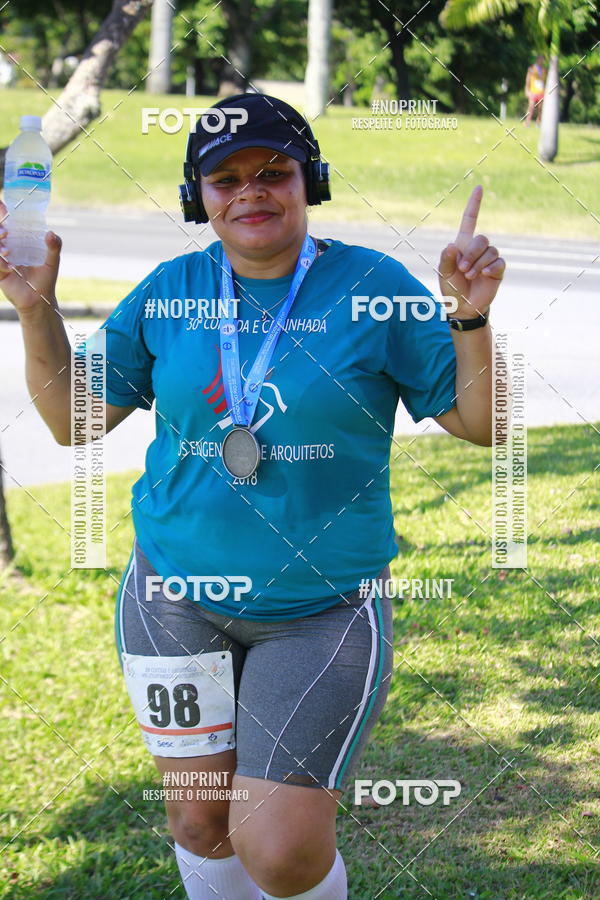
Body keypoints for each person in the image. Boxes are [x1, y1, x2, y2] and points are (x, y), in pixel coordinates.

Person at [0, 92, 505, 899]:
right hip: (173, 597)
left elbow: (483, 425)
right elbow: (73, 419)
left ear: (311, 182)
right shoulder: (171, 289)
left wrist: (469, 320)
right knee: (200, 818)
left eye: (274, 172)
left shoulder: (372, 286)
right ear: (196, 196)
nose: (251, 193)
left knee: (279, 849)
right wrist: (35, 309)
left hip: (322, 607)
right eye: (225, 179)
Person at [525, 54, 546, 126]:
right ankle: (527, 122)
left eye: (543, 59)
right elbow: (528, 80)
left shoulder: (544, 70)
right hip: (533, 91)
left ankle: (538, 122)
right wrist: (527, 90)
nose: (541, 61)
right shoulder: (531, 68)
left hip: (541, 92)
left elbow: (545, 81)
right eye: (540, 59)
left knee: (540, 108)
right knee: (531, 107)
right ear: (537, 59)